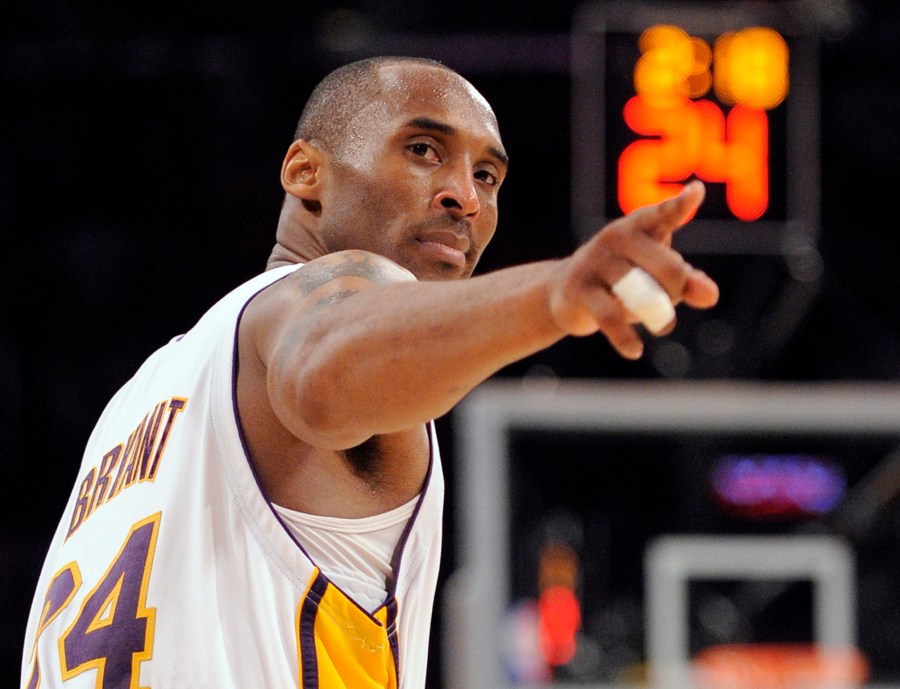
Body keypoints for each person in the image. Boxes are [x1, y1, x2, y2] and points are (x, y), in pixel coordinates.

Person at [20, 55, 719, 689]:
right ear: (305, 173)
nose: (465, 197)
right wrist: (552, 296)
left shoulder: (138, 400)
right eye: (423, 150)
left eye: (487, 175)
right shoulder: (309, 306)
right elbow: (323, 361)